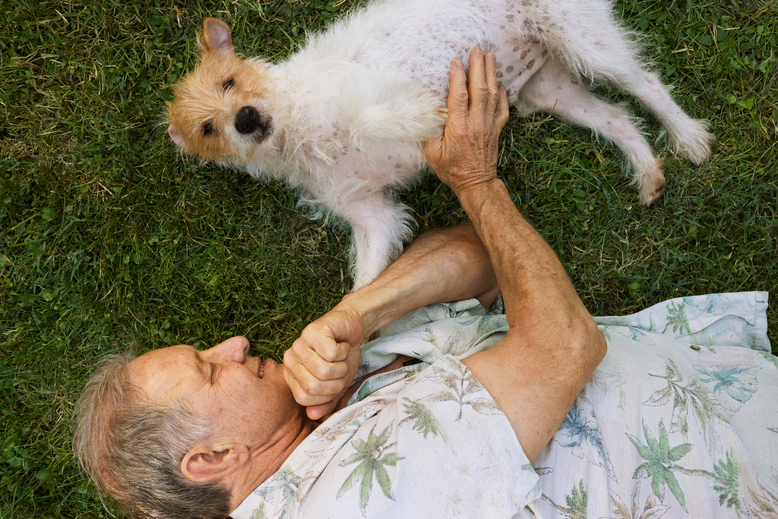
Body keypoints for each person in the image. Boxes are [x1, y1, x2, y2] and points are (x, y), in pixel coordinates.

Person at [74, 49, 777, 519]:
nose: (232, 344)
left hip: (725, 390)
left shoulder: (319, 434)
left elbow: (478, 258)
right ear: (212, 460)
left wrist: (359, 313)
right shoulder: (359, 497)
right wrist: (476, 179)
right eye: (209, 368)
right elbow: (566, 346)